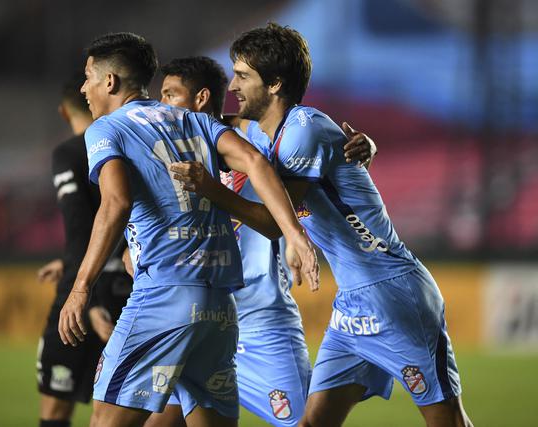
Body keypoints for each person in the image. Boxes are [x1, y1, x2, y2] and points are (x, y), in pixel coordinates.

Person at [172, 23, 472, 427]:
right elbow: (212, 124)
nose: (234, 85)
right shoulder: (265, 134)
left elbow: (275, 222)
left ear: (275, 84)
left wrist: (209, 188)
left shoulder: (303, 131)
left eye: (243, 76)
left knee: (447, 421)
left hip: (393, 294)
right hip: (352, 304)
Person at [57, 32, 319, 427]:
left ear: (109, 82)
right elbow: (256, 162)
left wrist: (80, 287)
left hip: (163, 299)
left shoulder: (107, 129)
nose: (84, 88)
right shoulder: (196, 122)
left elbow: (115, 202)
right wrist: (294, 234)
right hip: (219, 309)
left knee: (104, 421)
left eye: (89, 76)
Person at [147, 56, 375, 427]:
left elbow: (320, 143)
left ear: (202, 98)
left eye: (171, 95)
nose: (162, 106)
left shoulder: (256, 140)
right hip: (196, 319)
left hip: (261, 324)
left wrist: (365, 146)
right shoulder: (167, 151)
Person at [36, 76, 132, 427]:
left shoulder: (71, 152)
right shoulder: (129, 142)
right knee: (118, 410)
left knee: (56, 409)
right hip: (134, 291)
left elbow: (82, 229)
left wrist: (86, 298)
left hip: (88, 292)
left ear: (64, 112)